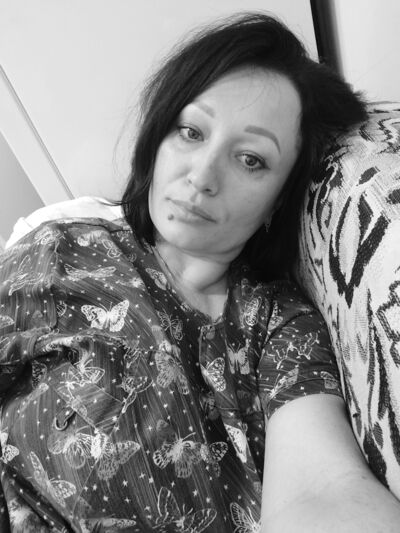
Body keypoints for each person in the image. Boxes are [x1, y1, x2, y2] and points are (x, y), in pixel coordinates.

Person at [0, 12, 400, 533]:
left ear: (280, 200)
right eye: (190, 132)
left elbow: (323, 488)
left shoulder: (279, 324)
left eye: (251, 159)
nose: (203, 176)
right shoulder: (62, 249)